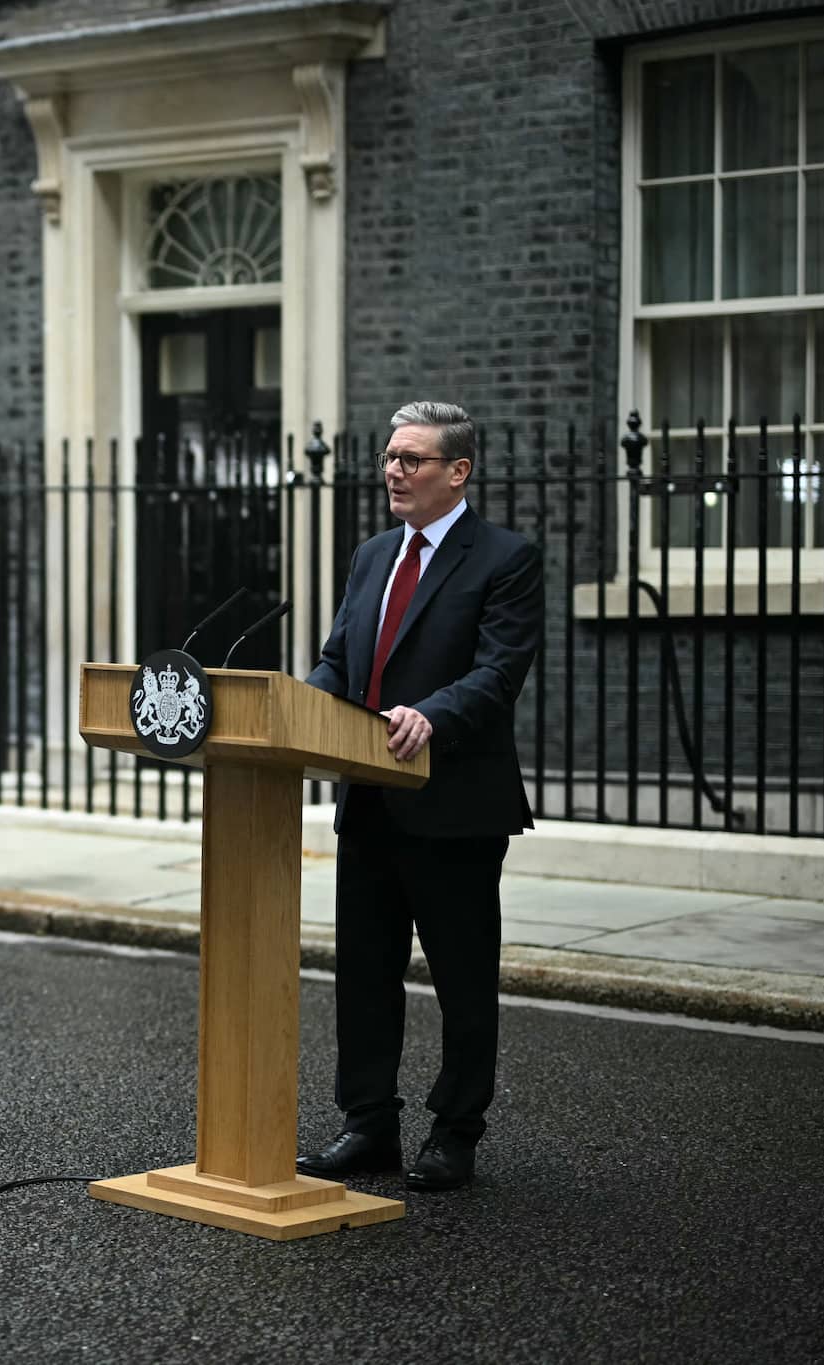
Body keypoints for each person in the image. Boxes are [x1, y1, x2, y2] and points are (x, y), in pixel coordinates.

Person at [296, 401, 544, 1194]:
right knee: (364, 973)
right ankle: (368, 1124)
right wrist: (300, 707)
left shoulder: (505, 557)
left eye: (412, 459)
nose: (393, 471)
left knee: (462, 978)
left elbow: (497, 673)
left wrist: (430, 715)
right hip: (370, 798)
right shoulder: (372, 555)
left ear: (458, 471)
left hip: (455, 805)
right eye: (390, 458)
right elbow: (339, 660)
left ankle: (456, 1131)